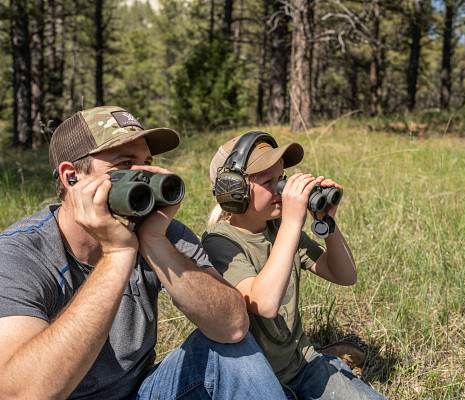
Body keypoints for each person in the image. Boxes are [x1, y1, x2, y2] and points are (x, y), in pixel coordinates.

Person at [0, 106, 287, 399]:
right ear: (72, 176)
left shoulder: (159, 232)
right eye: (125, 164)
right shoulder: (18, 255)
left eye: (147, 162)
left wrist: (153, 241)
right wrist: (118, 254)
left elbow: (233, 326)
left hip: (141, 392)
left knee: (228, 350)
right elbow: (22, 392)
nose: (145, 175)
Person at [201, 132, 387, 400]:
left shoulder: (279, 229)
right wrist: (291, 222)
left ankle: (326, 357)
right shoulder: (220, 242)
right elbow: (264, 304)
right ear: (234, 190)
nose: (283, 188)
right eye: (269, 182)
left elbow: (345, 275)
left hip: (302, 362)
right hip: (258, 381)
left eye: (282, 178)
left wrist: (327, 223)